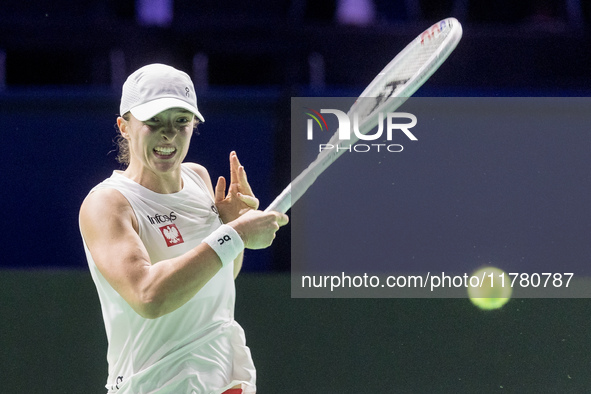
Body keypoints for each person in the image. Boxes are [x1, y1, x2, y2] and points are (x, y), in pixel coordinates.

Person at [79, 63, 288, 393]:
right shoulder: (108, 204)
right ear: (124, 126)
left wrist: (231, 226)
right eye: (154, 122)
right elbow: (148, 296)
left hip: (222, 378)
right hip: (156, 385)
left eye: (181, 122)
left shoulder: (198, 178)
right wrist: (235, 235)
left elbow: (217, 277)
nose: (169, 134)